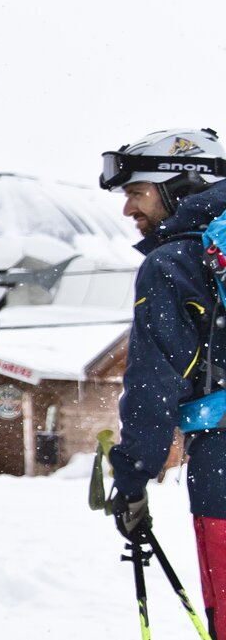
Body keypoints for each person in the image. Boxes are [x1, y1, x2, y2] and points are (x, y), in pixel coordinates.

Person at [103, 128, 226, 637]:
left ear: (183, 184)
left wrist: (132, 479)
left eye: (136, 192)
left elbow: (153, 387)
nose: (129, 210)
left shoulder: (172, 264)